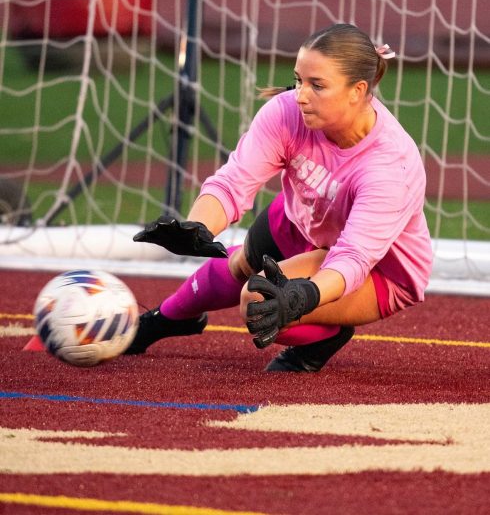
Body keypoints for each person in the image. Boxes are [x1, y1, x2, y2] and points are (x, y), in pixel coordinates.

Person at [124, 23, 433, 372]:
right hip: (307, 220)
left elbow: (353, 257)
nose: (300, 95)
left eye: (317, 86)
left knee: (258, 299)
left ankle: (324, 336)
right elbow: (234, 181)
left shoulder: (390, 167)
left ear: (357, 91)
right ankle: (166, 319)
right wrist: (198, 226)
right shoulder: (288, 112)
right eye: (299, 80)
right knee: (241, 263)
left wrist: (305, 296)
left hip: (381, 269)